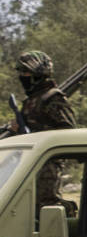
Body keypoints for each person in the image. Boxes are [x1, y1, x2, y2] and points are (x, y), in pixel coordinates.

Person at [8, 51, 78, 212]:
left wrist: (34, 132)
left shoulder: (53, 98)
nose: (21, 76)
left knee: (46, 206)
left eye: (25, 72)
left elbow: (68, 131)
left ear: (37, 75)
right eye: (20, 72)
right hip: (30, 161)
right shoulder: (32, 100)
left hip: (48, 163)